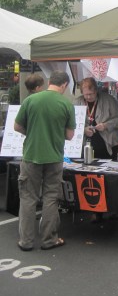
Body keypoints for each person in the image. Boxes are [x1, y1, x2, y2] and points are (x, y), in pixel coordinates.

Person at [14, 70, 76, 251]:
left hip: (31, 156)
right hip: (54, 157)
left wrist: (32, 132)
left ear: (49, 82)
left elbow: (17, 126)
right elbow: (70, 135)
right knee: (51, 198)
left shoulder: (30, 100)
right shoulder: (66, 104)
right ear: (64, 85)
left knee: (28, 198)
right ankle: (49, 240)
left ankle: (26, 241)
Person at [75, 77, 118, 161]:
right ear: (82, 93)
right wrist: (84, 130)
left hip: (107, 144)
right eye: (86, 94)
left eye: (91, 94)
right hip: (85, 145)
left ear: (96, 91)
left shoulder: (109, 100)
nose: (89, 97)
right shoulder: (77, 102)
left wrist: (106, 125)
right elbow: (72, 124)